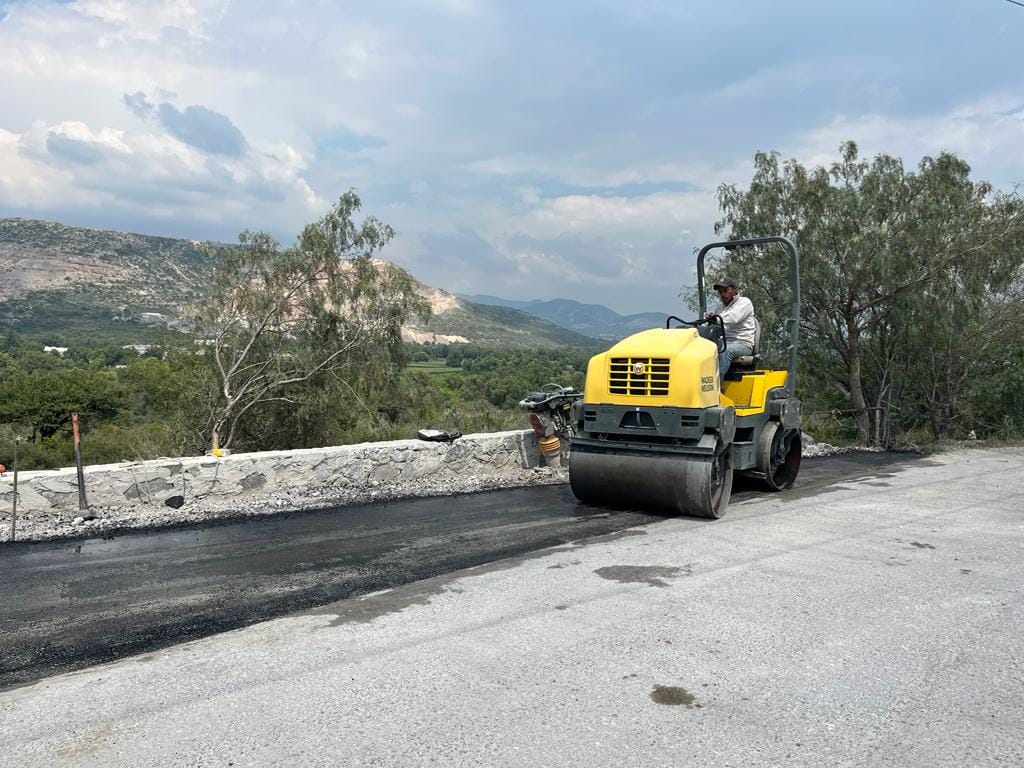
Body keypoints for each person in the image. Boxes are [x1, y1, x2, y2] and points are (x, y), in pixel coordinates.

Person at [707, 276, 756, 379]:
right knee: (704, 349)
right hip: (724, 342)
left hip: (742, 344)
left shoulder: (744, 303)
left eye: (725, 290)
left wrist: (715, 318)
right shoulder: (720, 308)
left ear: (734, 290)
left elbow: (733, 318)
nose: (723, 294)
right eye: (720, 292)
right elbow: (714, 324)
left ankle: (716, 386)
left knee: (725, 350)